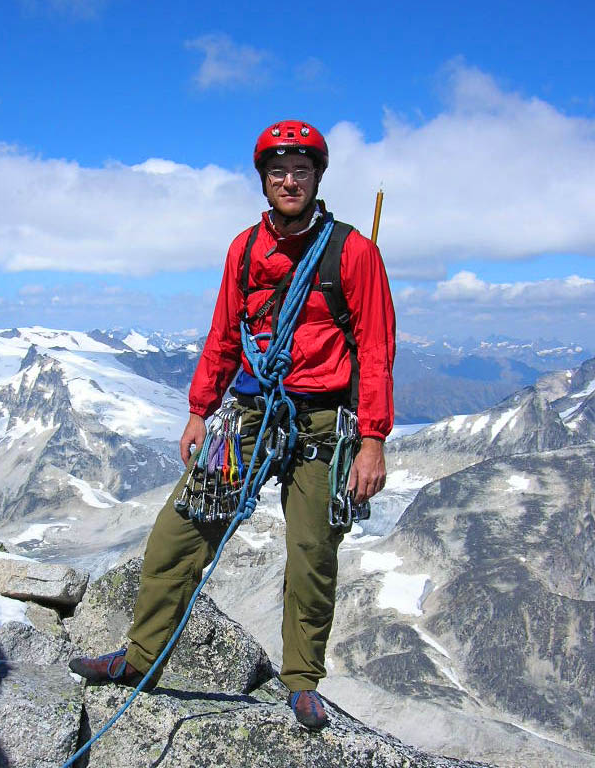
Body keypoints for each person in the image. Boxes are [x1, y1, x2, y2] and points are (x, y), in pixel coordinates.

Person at [70, 120, 395, 730]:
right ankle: (141, 658)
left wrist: (372, 440)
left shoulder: (353, 252)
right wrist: (198, 410)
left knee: (311, 552)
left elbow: (375, 347)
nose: (289, 180)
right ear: (264, 181)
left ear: (318, 177)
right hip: (247, 412)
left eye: (301, 170)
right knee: (180, 530)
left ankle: (301, 682)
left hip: (322, 422)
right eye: (278, 171)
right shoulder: (244, 249)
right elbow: (224, 334)